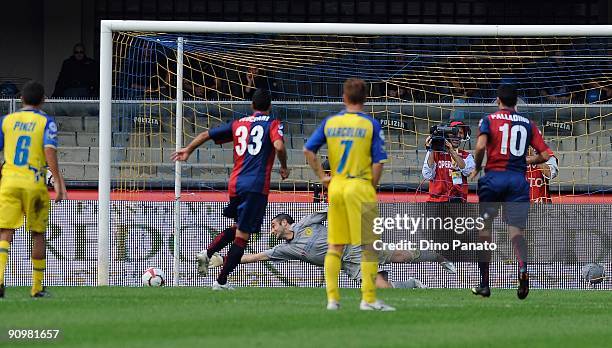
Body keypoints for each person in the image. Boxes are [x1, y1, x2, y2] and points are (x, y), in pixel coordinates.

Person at [172, 89, 289, 290]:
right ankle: (220, 282)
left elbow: (205, 134)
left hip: (235, 184)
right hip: (256, 186)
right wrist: (284, 166)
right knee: (243, 236)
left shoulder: (238, 123)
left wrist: (188, 150)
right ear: (269, 106)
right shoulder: (273, 123)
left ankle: (207, 254)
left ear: (252, 106)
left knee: (239, 229)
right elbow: (278, 146)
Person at [304, 78, 394, 311]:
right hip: (360, 186)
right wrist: (371, 185)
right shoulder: (371, 124)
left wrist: (322, 177)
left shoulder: (330, 122)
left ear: (344, 98)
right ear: (365, 99)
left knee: (335, 246)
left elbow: (308, 150)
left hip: (337, 186)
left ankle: (333, 300)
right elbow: (378, 162)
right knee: (369, 246)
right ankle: (368, 300)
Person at [207, 211, 456, 288]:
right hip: (349, 264)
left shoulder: (305, 223)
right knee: (381, 290)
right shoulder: (286, 249)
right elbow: (256, 256)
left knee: (400, 256)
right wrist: (226, 260)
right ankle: (413, 285)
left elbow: (330, 211)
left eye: (273, 225)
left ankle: (437, 254)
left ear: (285, 223)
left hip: (355, 244)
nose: (271, 230)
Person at [470, 84, 551, 300]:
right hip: (518, 181)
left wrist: (478, 167)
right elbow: (545, 154)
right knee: (516, 232)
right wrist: (526, 161)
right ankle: (523, 269)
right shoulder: (528, 124)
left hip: (494, 179)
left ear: (498, 100)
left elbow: (479, 147)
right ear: (516, 102)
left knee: (485, 230)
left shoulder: (488, 120)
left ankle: (484, 284)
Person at [0, 81, 68, 298]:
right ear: (43, 100)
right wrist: (57, 181)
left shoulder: (6, 121)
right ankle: (37, 288)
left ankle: (0, 280)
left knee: (5, 231)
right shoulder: (46, 121)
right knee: (37, 233)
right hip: (34, 183)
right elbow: (50, 151)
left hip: (9, 182)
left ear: (21, 99)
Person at [422, 121, 475, 202]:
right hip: (435, 200)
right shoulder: (435, 153)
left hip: (457, 201)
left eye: (460, 133)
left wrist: (451, 151)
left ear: (464, 136)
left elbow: (468, 171)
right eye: (454, 132)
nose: (457, 136)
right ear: (447, 134)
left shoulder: (466, 156)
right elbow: (428, 175)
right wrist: (431, 149)